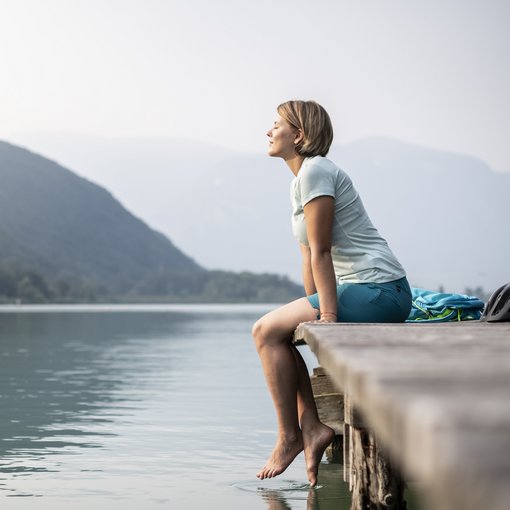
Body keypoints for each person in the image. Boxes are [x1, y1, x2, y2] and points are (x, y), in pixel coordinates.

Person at [252, 100, 412, 487]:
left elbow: (322, 250)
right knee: (278, 334)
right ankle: (310, 428)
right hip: (357, 288)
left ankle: (292, 435)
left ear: (300, 135)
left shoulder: (317, 171)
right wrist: (311, 313)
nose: (269, 131)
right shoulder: (300, 179)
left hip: (380, 289)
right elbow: (308, 255)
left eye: (277, 125)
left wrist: (327, 317)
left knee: (263, 331)